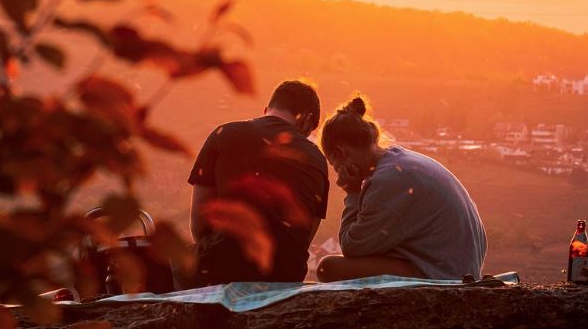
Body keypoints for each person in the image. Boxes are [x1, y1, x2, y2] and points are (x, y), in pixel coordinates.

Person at [317, 95, 487, 282]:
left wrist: (352, 191)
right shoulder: (400, 160)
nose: (338, 173)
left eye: (335, 165)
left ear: (341, 153)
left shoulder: (388, 180)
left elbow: (352, 247)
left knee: (328, 269)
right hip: (457, 266)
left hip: (444, 275)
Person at [187, 79, 329, 286]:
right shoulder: (317, 159)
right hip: (285, 277)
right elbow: (303, 236)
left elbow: (199, 224)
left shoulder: (223, 134)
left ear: (267, 110)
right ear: (307, 120)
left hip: (222, 270)